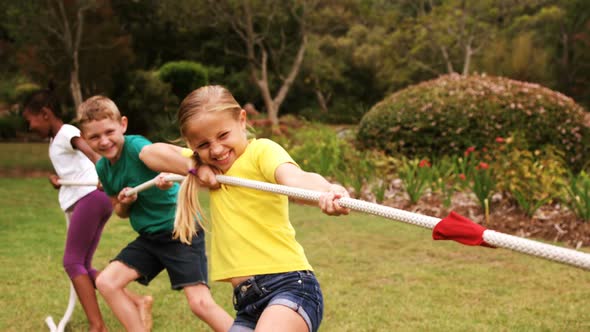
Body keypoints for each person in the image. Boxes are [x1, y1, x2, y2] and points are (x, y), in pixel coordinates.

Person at [140, 85, 350, 332]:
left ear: (242, 120)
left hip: (290, 286)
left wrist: (326, 190)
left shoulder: (260, 151)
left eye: (223, 135)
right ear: (191, 144)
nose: (216, 149)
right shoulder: (208, 166)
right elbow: (149, 153)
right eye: (203, 144)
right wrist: (195, 167)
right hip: (247, 303)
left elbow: (294, 178)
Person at [76, 95, 233, 332]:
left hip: (180, 230)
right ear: (85, 139)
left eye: (109, 132)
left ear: (123, 125)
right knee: (107, 282)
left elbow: (161, 156)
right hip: (150, 238)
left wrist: (175, 173)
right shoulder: (103, 168)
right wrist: (125, 202)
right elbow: (119, 212)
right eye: (94, 137)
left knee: (200, 304)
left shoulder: (137, 146)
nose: (104, 141)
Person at [22, 89, 114, 332]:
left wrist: (105, 175)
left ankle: (98, 326)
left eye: (30, 119)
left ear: (44, 114)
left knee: (72, 262)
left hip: (91, 197)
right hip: (93, 198)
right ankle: (135, 302)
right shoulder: (56, 140)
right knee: (82, 264)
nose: (29, 127)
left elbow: (92, 153)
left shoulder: (67, 133)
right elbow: (75, 168)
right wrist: (59, 180)